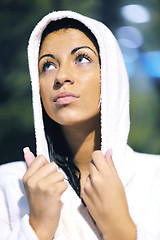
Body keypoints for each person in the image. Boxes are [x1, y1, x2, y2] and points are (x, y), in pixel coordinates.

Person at [0, 10, 160, 240]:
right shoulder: (9, 184)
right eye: (47, 65)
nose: (61, 76)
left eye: (82, 58)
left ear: (111, 73)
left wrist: (121, 230)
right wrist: (38, 227)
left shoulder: (155, 178)